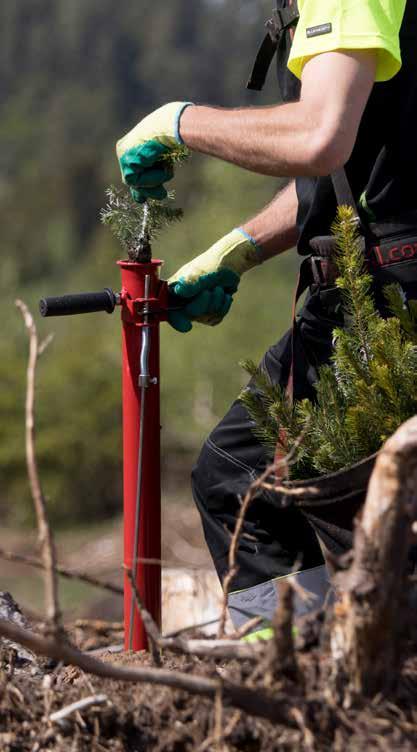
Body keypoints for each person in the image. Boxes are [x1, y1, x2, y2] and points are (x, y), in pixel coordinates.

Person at [116, 0, 416, 636]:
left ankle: (295, 677)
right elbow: (355, 161)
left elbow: (319, 135)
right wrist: (238, 249)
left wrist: (181, 124)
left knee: (242, 487)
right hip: (387, 285)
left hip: (386, 301)